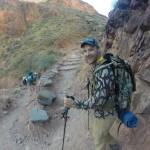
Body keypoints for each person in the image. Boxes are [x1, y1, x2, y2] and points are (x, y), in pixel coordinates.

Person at [64, 38, 119, 150]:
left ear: (98, 49)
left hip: (107, 112)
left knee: (98, 140)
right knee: (101, 131)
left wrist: (74, 103)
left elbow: (98, 101)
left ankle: (112, 144)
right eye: (85, 51)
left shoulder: (103, 70)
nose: (87, 54)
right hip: (107, 108)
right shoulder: (100, 63)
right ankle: (114, 144)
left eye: (91, 50)